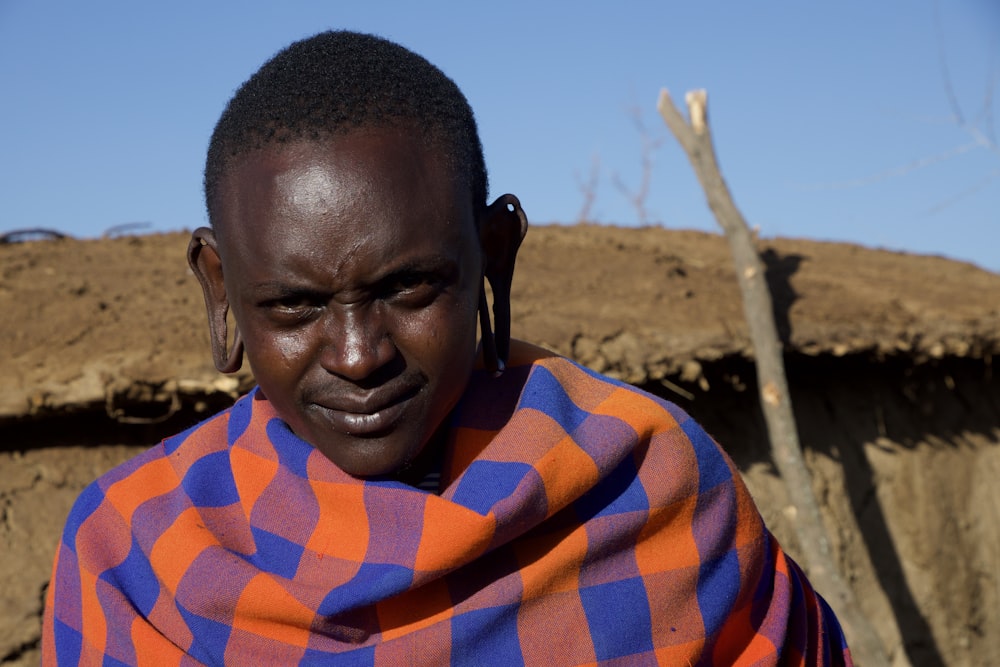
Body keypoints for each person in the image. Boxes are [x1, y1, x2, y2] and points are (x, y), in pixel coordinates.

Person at [43, 30, 852, 665]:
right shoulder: (136, 552)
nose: (359, 356)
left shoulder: (650, 486)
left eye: (410, 288)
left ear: (492, 255)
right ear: (221, 291)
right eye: (294, 305)